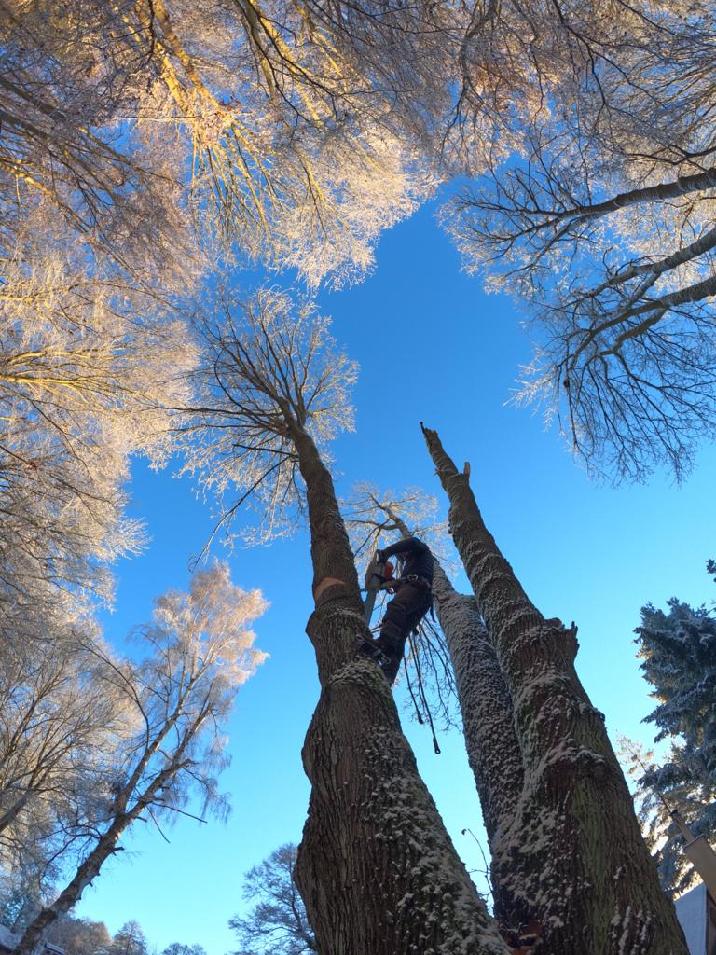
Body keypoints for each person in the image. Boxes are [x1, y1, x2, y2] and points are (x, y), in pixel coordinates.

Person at [370, 536, 434, 683]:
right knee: (400, 635)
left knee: (396, 608)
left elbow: (412, 542)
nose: (403, 557)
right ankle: (388, 674)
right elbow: (404, 583)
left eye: (403, 554)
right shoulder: (415, 564)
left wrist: (388, 551)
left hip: (418, 588)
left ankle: (384, 644)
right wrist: (389, 582)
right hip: (422, 596)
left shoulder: (420, 548)